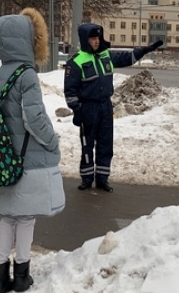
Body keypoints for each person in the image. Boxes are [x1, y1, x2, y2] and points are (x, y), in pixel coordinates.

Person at [0, 8, 65, 293]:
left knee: (7, 217)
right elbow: (35, 119)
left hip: (6, 157)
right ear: (25, 40)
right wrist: (52, 143)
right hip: (28, 158)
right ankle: (21, 275)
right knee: (26, 218)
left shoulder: (0, 74)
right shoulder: (26, 74)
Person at [63, 24, 163, 192]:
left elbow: (126, 58)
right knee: (87, 146)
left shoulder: (105, 55)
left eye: (98, 38)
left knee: (105, 144)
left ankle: (102, 179)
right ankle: (86, 179)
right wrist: (76, 110)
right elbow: (70, 90)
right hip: (88, 108)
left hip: (105, 107)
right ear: (85, 40)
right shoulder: (76, 62)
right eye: (93, 39)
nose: (96, 42)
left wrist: (144, 50)